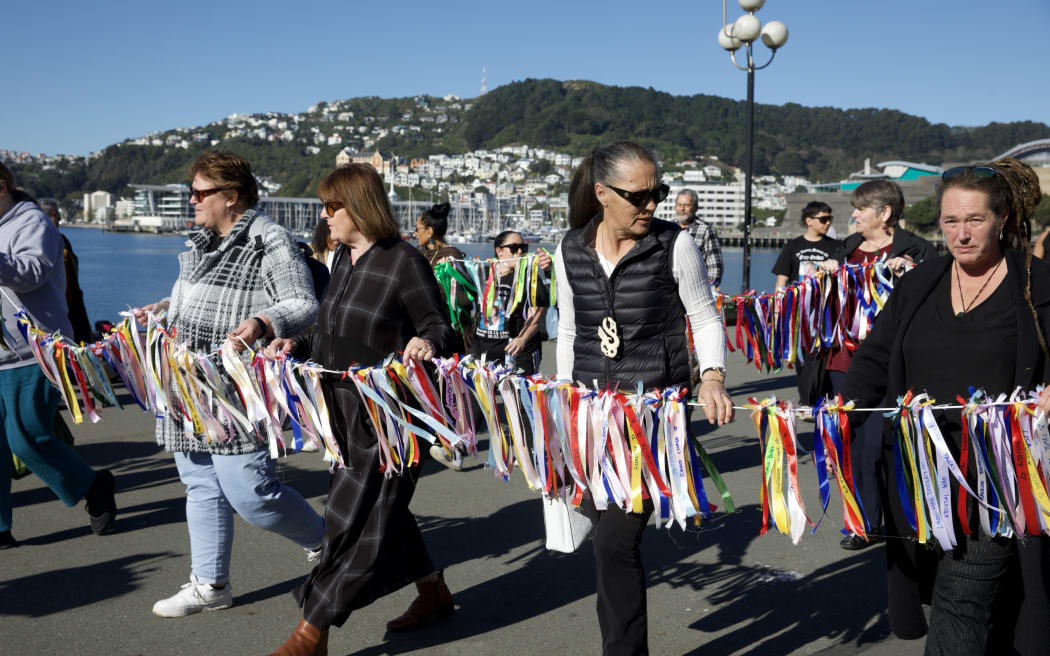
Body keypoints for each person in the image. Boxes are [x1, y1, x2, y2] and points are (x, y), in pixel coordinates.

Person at [843, 158, 1050, 656]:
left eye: (974, 220)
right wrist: (845, 407)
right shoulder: (922, 282)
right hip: (917, 478)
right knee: (965, 600)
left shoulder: (1037, 285)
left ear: (1003, 219)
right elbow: (875, 356)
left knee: (961, 599)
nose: (961, 234)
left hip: (996, 481)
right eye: (950, 221)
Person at [266, 164, 457, 656]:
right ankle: (433, 592)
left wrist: (425, 342)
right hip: (341, 417)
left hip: (390, 420)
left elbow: (439, 326)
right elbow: (332, 333)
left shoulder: (403, 261)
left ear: (360, 206)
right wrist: (294, 342)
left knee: (353, 525)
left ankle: (312, 632)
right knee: (378, 514)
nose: (325, 216)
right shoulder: (343, 261)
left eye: (332, 207)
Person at [555, 142, 733, 655]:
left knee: (616, 541)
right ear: (602, 194)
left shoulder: (675, 245)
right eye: (639, 195)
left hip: (651, 420)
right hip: (590, 417)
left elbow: (703, 315)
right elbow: (569, 329)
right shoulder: (569, 248)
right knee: (605, 545)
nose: (651, 204)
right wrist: (564, 402)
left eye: (658, 192)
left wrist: (713, 377)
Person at [134, 151, 325, 617]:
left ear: (232, 197)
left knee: (250, 492)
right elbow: (198, 298)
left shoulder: (269, 240)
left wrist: (262, 321)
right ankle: (209, 584)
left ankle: (328, 540)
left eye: (200, 193)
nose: (192, 201)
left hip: (235, 389)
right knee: (199, 483)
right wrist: (162, 310)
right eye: (191, 192)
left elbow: (304, 303)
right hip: (187, 383)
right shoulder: (202, 242)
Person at [0, 163, 116, 549]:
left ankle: (93, 485)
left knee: (27, 438)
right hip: (3, 352)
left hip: (34, 351)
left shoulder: (33, 223)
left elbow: (32, 273)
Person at [821, 180, 936, 550]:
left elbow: (933, 302)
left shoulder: (918, 250)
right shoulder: (847, 249)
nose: (853, 214)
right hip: (843, 359)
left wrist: (912, 271)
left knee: (877, 445)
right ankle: (863, 523)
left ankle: (903, 518)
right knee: (847, 443)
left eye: (861, 208)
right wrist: (821, 279)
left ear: (884, 213)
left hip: (887, 363)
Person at [772, 201, 839, 406]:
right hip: (797, 313)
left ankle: (821, 398)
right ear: (809, 221)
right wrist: (777, 313)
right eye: (823, 219)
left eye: (830, 219)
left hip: (825, 312)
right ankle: (806, 400)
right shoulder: (793, 246)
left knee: (823, 358)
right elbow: (781, 281)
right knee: (801, 358)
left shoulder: (835, 246)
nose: (827, 223)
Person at [472, 230, 549, 376]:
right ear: (499, 252)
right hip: (484, 355)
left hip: (518, 355)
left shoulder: (529, 278)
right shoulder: (482, 274)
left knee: (518, 397)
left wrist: (522, 339)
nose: (520, 251)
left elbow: (537, 315)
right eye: (514, 248)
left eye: (523, 248)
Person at [39, 199, 92, 343]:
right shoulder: (37, 242)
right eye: (55, 215)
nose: (58, 220)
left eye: (58, 216)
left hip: (73, 303)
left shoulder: (62, 240)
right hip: (52, 308)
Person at [674, 188, 723, 287]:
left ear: (695, 208)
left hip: (696, 291)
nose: (682, 209)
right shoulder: (668, 228)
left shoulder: (706, 230)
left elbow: (715, 268)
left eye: (686, 205)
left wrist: (706, 291)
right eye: (679, 205)